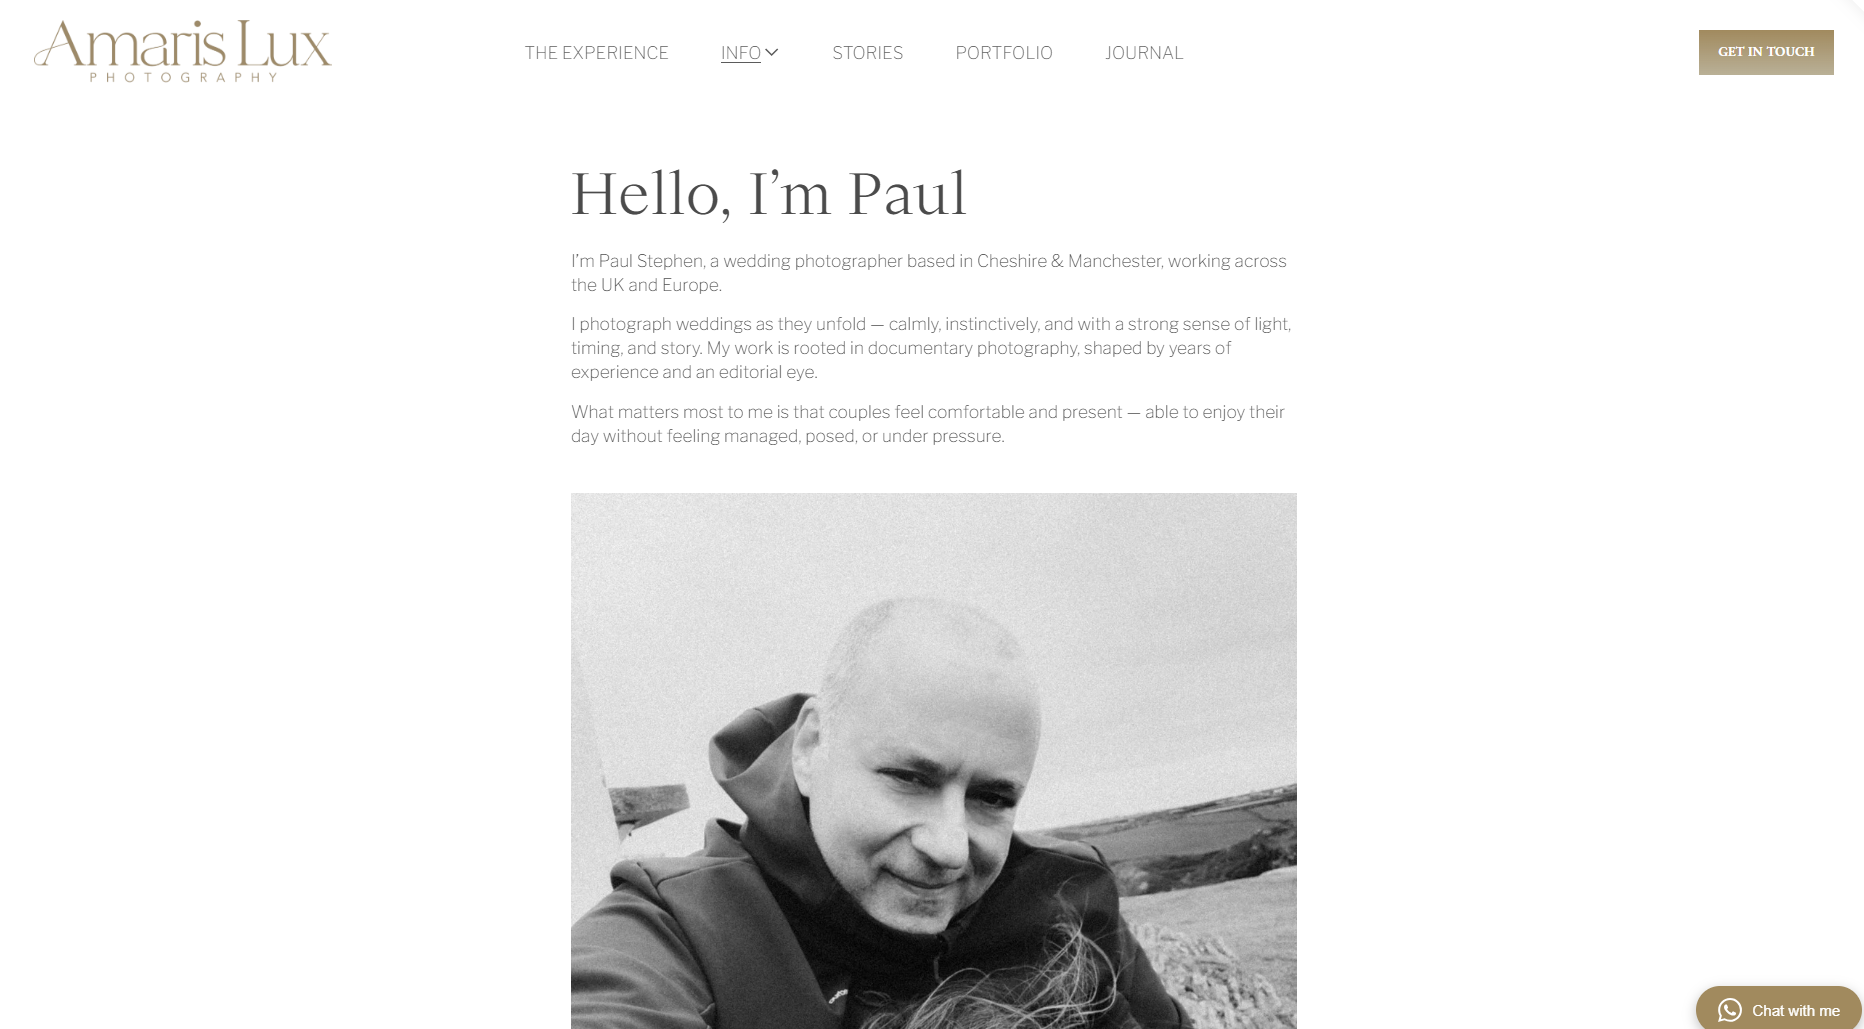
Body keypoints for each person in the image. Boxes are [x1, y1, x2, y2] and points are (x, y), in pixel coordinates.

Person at [571, 598, 1187, 1029]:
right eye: (909, 779)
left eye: (992, 799)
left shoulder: (1069, 902)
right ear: (810, 747)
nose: (949, 847)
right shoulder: (675, 934)